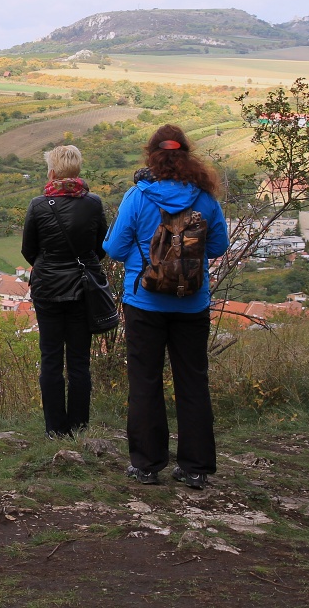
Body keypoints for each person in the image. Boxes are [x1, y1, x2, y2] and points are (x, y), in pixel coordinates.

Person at [104, 125, 228, 490]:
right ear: (186, 155)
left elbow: (112, 248)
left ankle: (146, 464)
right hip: (192, 303)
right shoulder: (205, 199)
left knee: (145, 379)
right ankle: (195, 467)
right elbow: (218, 246)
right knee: (193, 380)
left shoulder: (137, 196)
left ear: (152, 155)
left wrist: (145, 259)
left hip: (144, 301)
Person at [21, 145, 108, 438]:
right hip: (84, 290)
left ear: (52, 171)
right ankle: (79, 427)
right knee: (80, 361)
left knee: (51, 358)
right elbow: (99, 248)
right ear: (78, 170)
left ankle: (55, 429)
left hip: (47, 290)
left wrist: (48, 267)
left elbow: (28, 250)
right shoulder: (94, 203)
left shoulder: (38, 205)